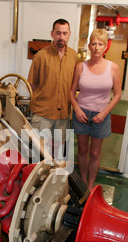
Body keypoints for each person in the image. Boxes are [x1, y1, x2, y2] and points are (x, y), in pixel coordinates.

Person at [69, 28, 121, 190]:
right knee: (83, 150)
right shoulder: (80, 67)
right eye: (93, 44)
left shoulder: (113, 68)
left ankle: (91, 185)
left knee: (95, 153)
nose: (97, 47)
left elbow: (118, 94)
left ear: (106, 47)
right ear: (89, 46)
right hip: (81, 114)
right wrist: (77, 109)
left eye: (100, 44)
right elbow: (71, 92)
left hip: (102, 115)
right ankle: (83, 182)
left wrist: (104, 113)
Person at [27, 19, 78, 156]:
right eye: (58, 33)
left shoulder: (74, 56)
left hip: (63, 115)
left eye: (65, 33)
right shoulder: (40, 56)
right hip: (43, 114)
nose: (61, 37)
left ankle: (54, 177)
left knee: (58, 151)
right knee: (40, 151)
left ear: (69, 34)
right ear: (52, 34)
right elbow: (31, 84)